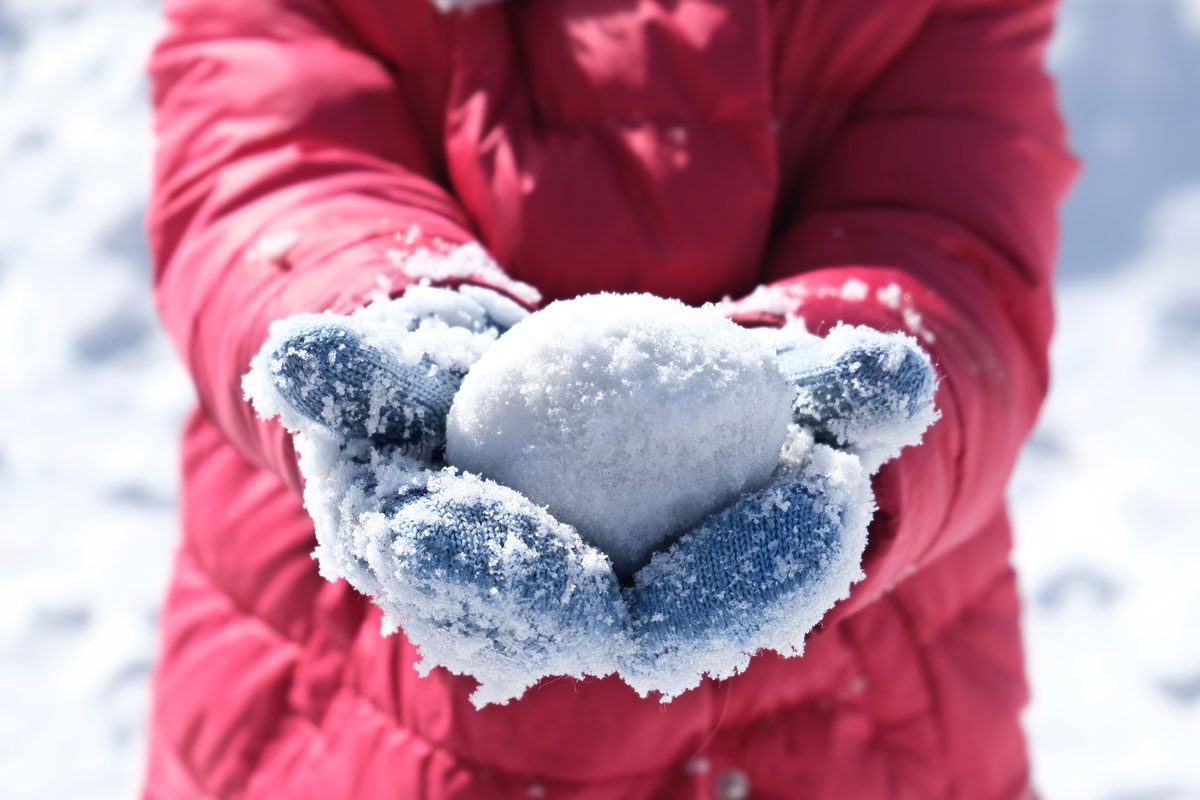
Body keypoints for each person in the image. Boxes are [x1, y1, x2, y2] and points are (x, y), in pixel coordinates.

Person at [144, 0, 1076, 797]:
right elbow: (267, 157)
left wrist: (849, 382)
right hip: (361, 675)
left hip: (852, 707)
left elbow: (955, 232)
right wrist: (396, 313)